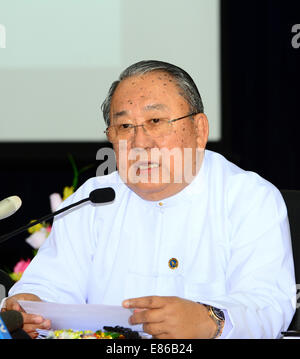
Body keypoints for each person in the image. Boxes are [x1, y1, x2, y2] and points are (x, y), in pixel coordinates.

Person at [1, 60, 296, 339]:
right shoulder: (92, 200)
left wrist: (210, 321)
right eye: (125, 127)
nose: (140, 143)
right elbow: (49, 286)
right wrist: (30, 305)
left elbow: (268, 304)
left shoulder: (248, 197)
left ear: (199, 130)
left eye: (156, 120)